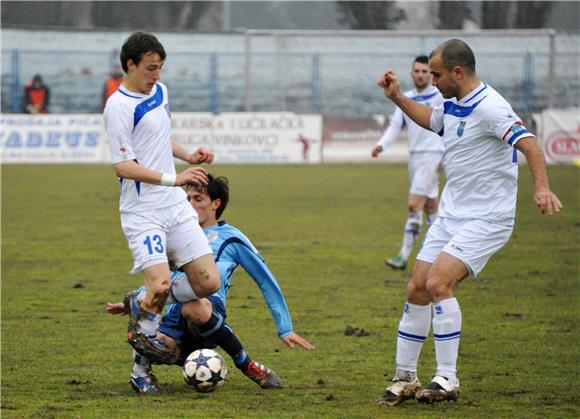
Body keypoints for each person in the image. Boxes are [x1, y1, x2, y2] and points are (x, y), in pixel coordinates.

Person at [375, 39, 562, 405]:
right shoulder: (453, 102)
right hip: (450, 215)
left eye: (437, 74)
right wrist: (397, 97)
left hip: (487, 218)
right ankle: (405, 377)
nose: (433, 80)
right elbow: (432, 121)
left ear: (458, 72)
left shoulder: (492, 107)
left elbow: (529, 144)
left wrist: (542, 188)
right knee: (416, 288)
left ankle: (447, 378)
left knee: (438, 283)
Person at [107, 174, 315, 394]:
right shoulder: (177, 237)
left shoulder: (231, 238)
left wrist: (285, 328)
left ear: (216, 204)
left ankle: (246, 363)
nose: (190, 204)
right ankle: (142, 376)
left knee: (194, 306)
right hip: (177, 313)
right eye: (187, 199)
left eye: (198, 199)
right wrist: (135, 301)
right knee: (155, 342)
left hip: (208, 308)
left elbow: (265, 280)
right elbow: (165, 280)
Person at [103, 32, 221, 362]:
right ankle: (140, 371)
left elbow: (159, 138)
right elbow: (124, 166)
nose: (156, 76)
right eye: (150, 68)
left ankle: (140, 301)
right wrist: (176, 179)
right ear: (130, 65)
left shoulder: (160, 92)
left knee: (209, 282)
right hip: (144, 211)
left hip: (173, 207)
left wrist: (188, 156)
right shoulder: (117, 107)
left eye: (160, 69)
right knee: (161, 287)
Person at [371, 56, 444, 271]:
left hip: (434, 155)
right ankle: (443, 253)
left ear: (431, 74)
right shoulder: (405, 98)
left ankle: (403, 256)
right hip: (415, 157)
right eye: (417, 71)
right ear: (412, 73)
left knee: (414, 205)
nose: (421, 74)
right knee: (430, 207)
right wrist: (381, 145)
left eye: (425, 71)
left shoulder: (440, 97)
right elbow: (395, 126)